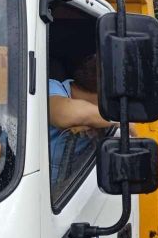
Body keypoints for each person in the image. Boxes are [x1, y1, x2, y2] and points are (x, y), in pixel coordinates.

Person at [48, 54, 113, 186]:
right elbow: (64, 113)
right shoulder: (50, 87)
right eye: (113, 102)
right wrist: (119, 118)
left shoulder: (98, 121)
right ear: (102, 95)